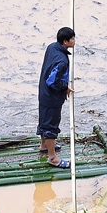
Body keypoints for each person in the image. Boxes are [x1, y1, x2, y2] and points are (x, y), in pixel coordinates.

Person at [37, 27, 75, 168]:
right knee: (50, 126)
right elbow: (52, 81)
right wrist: (64, 87)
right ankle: (52, 158)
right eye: (72, 39)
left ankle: (44, 145)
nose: (74, 41)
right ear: (65, 41)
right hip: (52, 97)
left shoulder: (51, 47)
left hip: (43, 92)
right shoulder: (62, 60)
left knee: (44, 120)